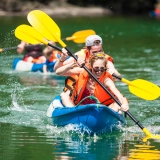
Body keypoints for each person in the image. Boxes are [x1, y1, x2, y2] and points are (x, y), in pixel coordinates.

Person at [56, 52, 129, 112]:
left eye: (102, 69)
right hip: (81, 108)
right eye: (96, 68)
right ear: (91, 66)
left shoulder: (106, 80)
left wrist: (124, 104)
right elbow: (58, 72)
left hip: (102, 109)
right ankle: (72, 113)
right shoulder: (82, 71)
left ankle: (106, 121)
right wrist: (71, 65)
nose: (99, 71)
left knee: (116, 104)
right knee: (64, 95)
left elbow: (119, 96)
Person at [54, 35, 120, 77]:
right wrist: (62, 58)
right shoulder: (80, 55)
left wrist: (114, 74)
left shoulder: (105, 59)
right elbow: (57, 70)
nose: (97, 54)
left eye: (99, 51)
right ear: (87, 49)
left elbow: (114, 71)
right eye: (94, 52)